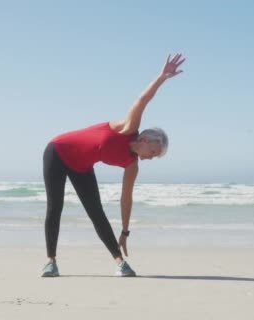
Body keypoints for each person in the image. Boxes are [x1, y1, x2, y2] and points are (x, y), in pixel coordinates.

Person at [41, 53, 185, 277]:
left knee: (96, 212)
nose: (151, 158)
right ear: (146, 140)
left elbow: (126, 198)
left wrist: (125, 232)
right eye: (154, 152)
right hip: (57, 151)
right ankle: (51, 262)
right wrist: (162, 77)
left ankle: (120, 262)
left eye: (155, 157)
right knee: (55, 207)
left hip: (81, 166)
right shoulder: (129, 128)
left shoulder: (132, 165)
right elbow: (142, 100)